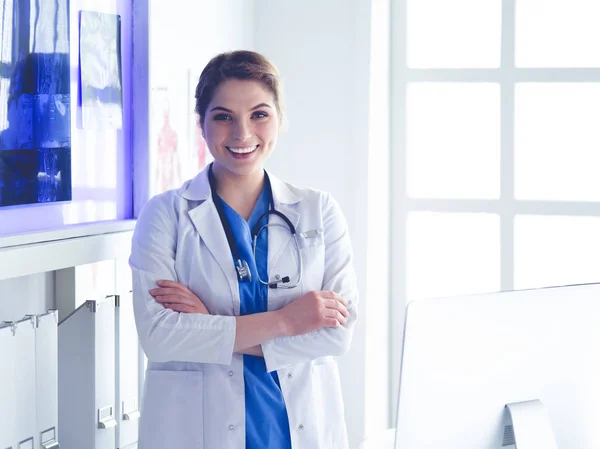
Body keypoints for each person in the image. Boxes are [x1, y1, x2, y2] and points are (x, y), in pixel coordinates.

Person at [129, 50, 359, 449]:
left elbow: (336, 336)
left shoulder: (318, 211)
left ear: (280, 119)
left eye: (259, 114)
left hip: (298, 430)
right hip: (197, 433)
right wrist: (289, 320)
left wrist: (211, 326)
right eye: (223, 117)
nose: (241, 134)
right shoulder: (166, 215)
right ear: (201, 124)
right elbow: (159, 336)